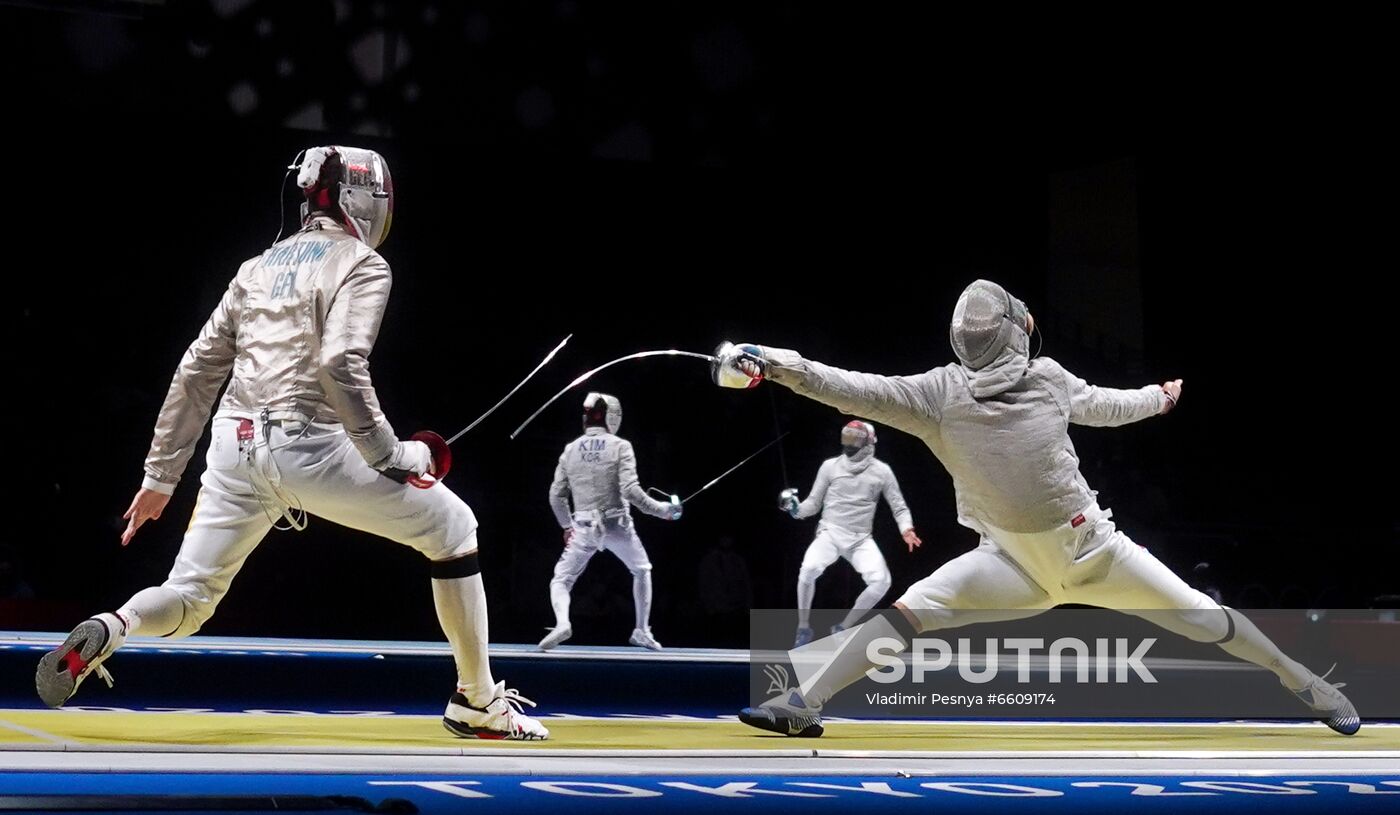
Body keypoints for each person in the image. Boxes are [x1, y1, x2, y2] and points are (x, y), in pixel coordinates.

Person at [36, 146, 548, 740]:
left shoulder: (256, 266)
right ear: (363, 198)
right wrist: (396, 455)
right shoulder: (361, 263)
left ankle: (115, 624)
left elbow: (197, 370)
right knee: (453, 529)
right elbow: (339, 361)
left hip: (233, 446)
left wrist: (160, 478)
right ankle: (477, 702)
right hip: (309, 447)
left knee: (190, 595)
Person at [714, 279, 1360, 737]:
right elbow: (844, 385)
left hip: (1096, 553)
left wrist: (1157, 399)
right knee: (907, 616)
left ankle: (1308, 683)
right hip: (1009, 561)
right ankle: (803, 704)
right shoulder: (937, 393)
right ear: (1015, 329)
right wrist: (774, 363)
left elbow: (1106, 405)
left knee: (1203, 615)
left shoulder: (1043, 379)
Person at [539, 393, 682, 651]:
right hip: (617, 524)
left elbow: (555, 495)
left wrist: (566, 526)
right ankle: (641, 630)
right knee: (641, 570)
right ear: (612, 417)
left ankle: (562, 623)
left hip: (582, 526)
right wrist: (662, 510)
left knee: (561, 580)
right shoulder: (620, 446)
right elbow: (630, 490)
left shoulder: (570, 449)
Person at [781, 420, 921, 646]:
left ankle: (843, 628)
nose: (849, 443)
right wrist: (796, 509)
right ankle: (803, 628)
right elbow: (813, 504)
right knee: (808, 569)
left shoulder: (882, 471)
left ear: (868, 442)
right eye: (847, 437)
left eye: (855, 438)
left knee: (881, 582)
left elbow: (898, 505)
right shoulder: (830, 466)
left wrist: (907, 529)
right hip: (830, 533)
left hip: (860, 539)